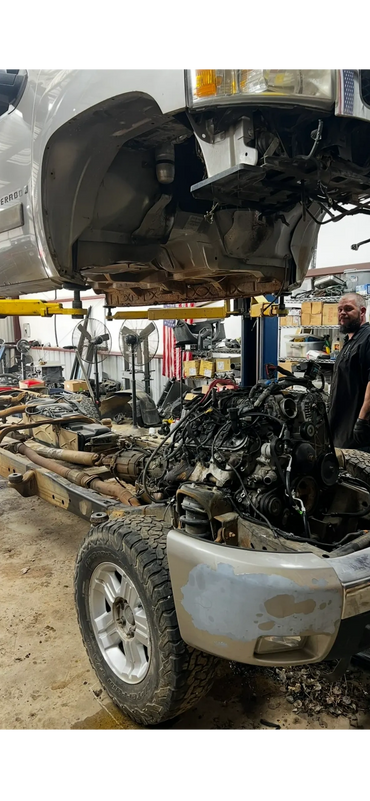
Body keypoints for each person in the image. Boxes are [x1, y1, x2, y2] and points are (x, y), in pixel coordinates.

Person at [328, 293, 370, 449]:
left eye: (348, 309)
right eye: (340, 309)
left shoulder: (367, 338)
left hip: (357, 431)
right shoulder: (350, 341)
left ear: (362, 311)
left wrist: (362, 420)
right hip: (341, 427)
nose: (342, 313)